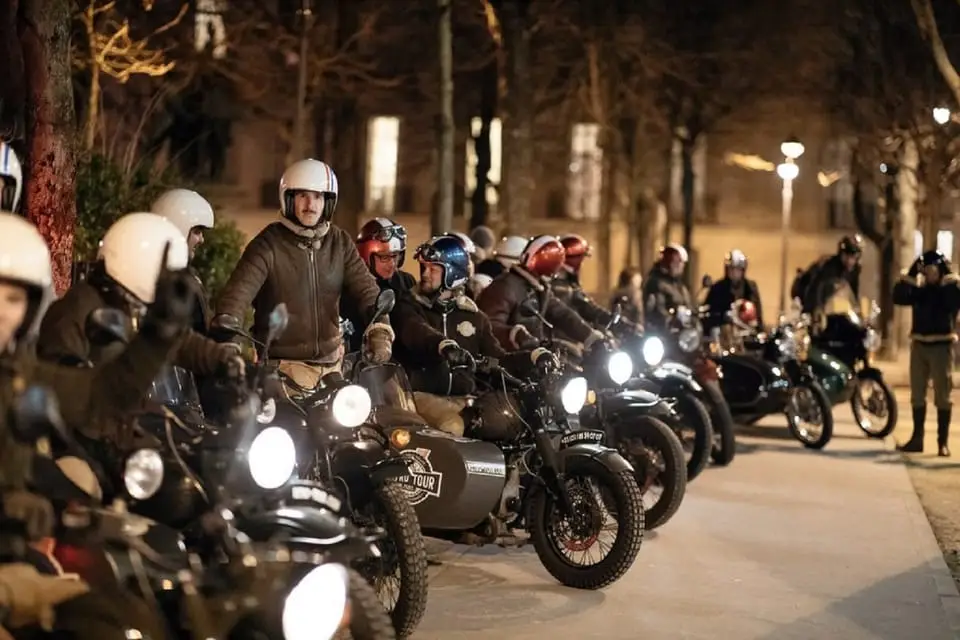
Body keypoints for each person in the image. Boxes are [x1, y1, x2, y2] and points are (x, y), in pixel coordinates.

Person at [0, 210, 192, 638]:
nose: (1, 312)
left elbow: (100, 399)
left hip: (15, 559)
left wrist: (158, 334)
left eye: (13, 299)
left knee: (127, 619)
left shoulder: (18, 375)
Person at [214, 159, 393, 391]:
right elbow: (237, 295)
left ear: (328, 202)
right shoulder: (268, 244)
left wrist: (380, 328)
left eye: (318, 197)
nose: (311, 205)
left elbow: (368, 291)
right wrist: (228, 338)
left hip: (332, 370)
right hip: (281, 372)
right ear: (288, 199)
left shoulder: (338, 242)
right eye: (303, 196)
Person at [37, 213, 237, 380]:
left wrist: (227, 361)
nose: (168, 284)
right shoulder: (79, 310)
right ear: (142, 264)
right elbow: (61, 379)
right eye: (165, 272)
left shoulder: (133, 304)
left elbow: (176, 340)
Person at [392, 235, 553, 438]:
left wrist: (534, 357)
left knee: (510, 425)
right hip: (418, 396)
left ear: (452, 273)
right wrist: (444, 346)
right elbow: (416, 331)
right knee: (452, 426)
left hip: (465, 399)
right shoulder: (408, 305)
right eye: (423, 267)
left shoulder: (474, 317)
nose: (425, 274)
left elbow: (499, 358)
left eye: (433, 269)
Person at [477, 235, 604, 352]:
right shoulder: (505, 286)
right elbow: (488, 325)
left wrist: (589, 335)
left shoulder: (540, 288)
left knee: (573, 356)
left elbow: (562, 313)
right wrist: (515, 335)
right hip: (507, 362)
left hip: (535, 357)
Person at [893, 250, 960, 456]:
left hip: (941, 346)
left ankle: (943, 442)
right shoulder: (919, 291)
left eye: (934, 270)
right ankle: (917, 438)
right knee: (917, 394)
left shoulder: (948, 291)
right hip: (920, 345)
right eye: (927, 270)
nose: (930, 275)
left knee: (943, 395)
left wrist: (949, 274)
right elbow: (899, 295)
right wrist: (912, 271)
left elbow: (955, 300)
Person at [343, 217, 415, 353]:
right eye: (384, 257)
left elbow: (413, 321)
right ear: (365, 255)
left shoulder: (405, 282)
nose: (392, 264)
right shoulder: (349, 286)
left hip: (398, 365)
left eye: (396, 256)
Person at [151, 187, 216, 333]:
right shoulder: (161, 281)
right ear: (177, 228)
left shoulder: (187, 275)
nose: (201, 240)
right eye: (197, 232)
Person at [552, 234, 638, 335]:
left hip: (569, 337)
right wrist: (618, 324)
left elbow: (589, 309)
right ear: (574, 260)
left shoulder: (568, 284)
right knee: (576, 350)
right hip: (560, 340)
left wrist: (615, 323)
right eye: (581, 260)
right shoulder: (561, 288)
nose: (582, 265)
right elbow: (586, 309)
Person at [795, 234, 863, 315]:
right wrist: (814, 311)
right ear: (841, 254)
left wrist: (858, 310)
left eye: (854, 258)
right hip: (806, 292)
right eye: (847, 256)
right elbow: (815, 290)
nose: (850, 261)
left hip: (826, 300)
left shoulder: (854, 269)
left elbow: (854, 291)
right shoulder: (829, 266)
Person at [703, 249, 764, 332]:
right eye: (731, 268)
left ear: (743, 270)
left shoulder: (750, 287)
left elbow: (757, 312)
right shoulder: (717, 288)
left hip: (747, 332)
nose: (734, 272)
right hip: (723, 332)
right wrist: (723, 316)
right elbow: (708, 313)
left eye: (738, 269)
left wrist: (760, 330)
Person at [642, 243, 693, 332]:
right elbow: (657, 309)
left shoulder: (679, 285)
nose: (677, 265)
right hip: (661, 332)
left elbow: (688, 305)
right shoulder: (656, 283)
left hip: (680, 333)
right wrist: (672, 320)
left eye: (679, 261)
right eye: (673, 260)